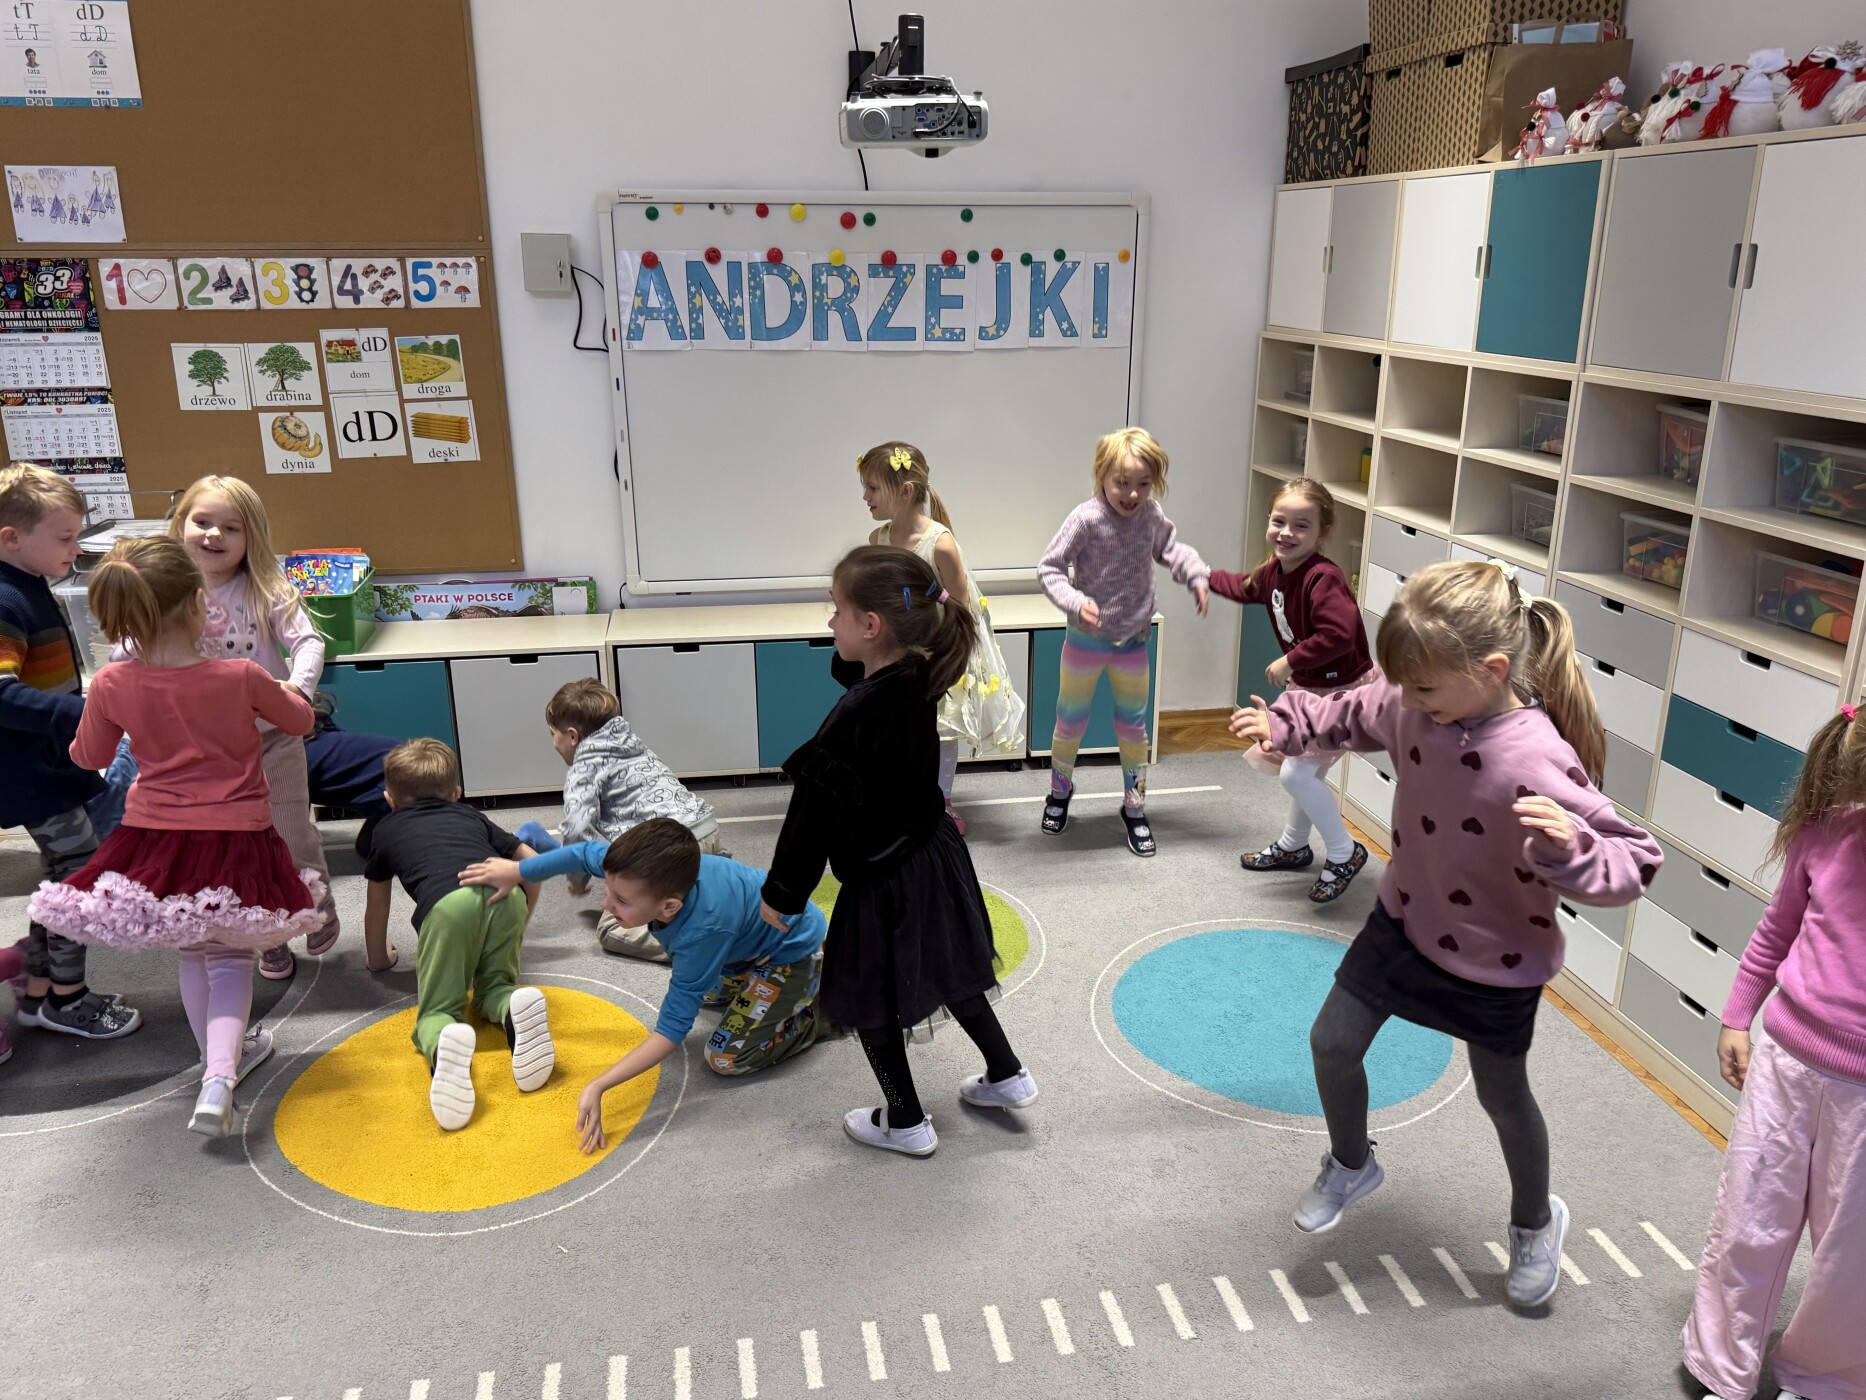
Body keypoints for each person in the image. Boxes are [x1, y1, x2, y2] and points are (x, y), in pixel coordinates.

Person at [1231, 559, 1661, 1307]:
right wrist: (1286, 724)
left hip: (1498, 958)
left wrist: (1573, 848)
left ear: (1491, 671)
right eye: (1405, 686)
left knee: (1504, 1098)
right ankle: (1352, 1163)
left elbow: (1635, 858)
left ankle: (1535, 1222)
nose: (1408, 701)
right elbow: (1353, 709)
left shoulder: (1537, 757)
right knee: (1332, 1043)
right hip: (1405, 920)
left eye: (1423, 688)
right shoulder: (1413, 701)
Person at [27, 536, 325, 1137]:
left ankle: (212, 1062)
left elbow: (90, 756)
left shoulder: (111, 682)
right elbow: (299, 719)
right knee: (230, 955)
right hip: (237, 836)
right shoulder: (240, 675)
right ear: (198, 604)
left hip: (156, 840)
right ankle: (221, 1076)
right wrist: (285, 691)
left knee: (194, 951)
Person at [758, 545, 1036, 1157]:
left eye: (837, 611)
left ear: (871, 625)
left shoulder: (853, 715)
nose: (830, 621)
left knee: (870, 993)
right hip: (934, 854)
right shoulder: (919, 670)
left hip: (883, 876)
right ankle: (1007, 1073)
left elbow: (811, 814)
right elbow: (859, 677)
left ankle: (905, 1120)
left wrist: (782, 893)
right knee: (952, 964)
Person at [1683, 705, 1866, 1400]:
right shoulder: (1827, 832)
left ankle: (1823, 1378)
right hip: (1786, 1062)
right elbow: (1775, 931)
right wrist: (1737, 1016)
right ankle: (1719, 1363)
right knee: (1749, 1217)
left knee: (1850, 1256)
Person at [459, 817, 829, 1151]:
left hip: (791, 955)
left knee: (724, 1058)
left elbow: (671, 1032)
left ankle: (815, 1015)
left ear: (669, 907)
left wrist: (600, 1084)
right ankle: (763, 987)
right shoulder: (637, 870)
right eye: (609, 890)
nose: (606, 904)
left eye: (621, 900)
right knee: (705, 991)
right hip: (742, 950)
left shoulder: (701, 933)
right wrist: (518, 869)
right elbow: (582, 854)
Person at [166, 476, 336, 980]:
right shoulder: (162, 588)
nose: (213, 534)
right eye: (202, 522)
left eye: (230, 527)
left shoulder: (265, 586)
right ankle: (267, 938)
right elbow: (130, 646)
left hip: (272, 737)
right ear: (180, 525)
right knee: (232, 846)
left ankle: (317, 904)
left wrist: (297, 689)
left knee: (288, 833)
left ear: (250, 538)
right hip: (203, 747)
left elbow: (308, 642)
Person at [0, 463, 140, 1054]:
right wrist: (80, 715)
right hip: (32, 771)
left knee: (63, 877)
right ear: (12, 537)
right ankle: (67, 998)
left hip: (54, 763)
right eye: (65, 538)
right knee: (79, 877)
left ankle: (39, 991)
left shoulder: (30, 583)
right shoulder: (6, 598)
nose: (76, 549)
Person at [355, 738, 553, 1131]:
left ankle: (442, 1036)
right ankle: (511, 1006)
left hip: (447, 908)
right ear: (457, 794)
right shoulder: (471, 815)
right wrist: (520, 923)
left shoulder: (385, 829)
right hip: (506, 896)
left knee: (438, 1011)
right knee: (494, 987)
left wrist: (378, 959)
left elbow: (377, 905)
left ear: (390, 800)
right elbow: (532, 863)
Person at [1038, 427, 1210, 856]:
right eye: (1122, 483)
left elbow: (1171, 548)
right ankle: (1059, 791)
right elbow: (1049, 568)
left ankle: (1134, 806)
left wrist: (1195, 574)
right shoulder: (1085, 518)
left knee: (1133, 728)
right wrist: (1075, 601)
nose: (1132, 494)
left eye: (1143, 484)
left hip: (1132, 642)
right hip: (1085, 642)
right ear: (1101, 475)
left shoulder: (1150, 516)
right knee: (1069, 722)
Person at [1212, 478, 1374, 902]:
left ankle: (1345, 852)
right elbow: (1245, 587)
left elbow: (1339, 634)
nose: (1286, 532)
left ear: (1322, 533)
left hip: (1343, 694)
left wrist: (1291, 660)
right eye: (1279, 521)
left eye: (1301, 526)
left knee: (1296, 773)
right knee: (1307, 772)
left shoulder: (1323, 578)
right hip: (1311, 690)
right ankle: (1294, 845)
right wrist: (1201, 577)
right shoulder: (1274, 570)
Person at [859, 440, 1026, 831]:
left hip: (936, 651)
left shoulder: (941, 545)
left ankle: (941, 800)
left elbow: (961, 611)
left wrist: (936, 646)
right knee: (899, 726)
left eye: (873, 488)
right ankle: (904, 796)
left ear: (905, 491)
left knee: (941, 730)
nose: (865, 497)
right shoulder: (877, 540)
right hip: (895, 652)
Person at [512, 677, 723, 964]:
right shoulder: (629, 742)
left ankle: (701, 946)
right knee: (625, 865)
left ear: (572, 736)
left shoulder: (583, 768)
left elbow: (578, 828)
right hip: (706, 829)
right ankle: (710, 899)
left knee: (612, 929)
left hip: (668, 853)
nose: (553, 744)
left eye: (553, 734)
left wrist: (576, 879)